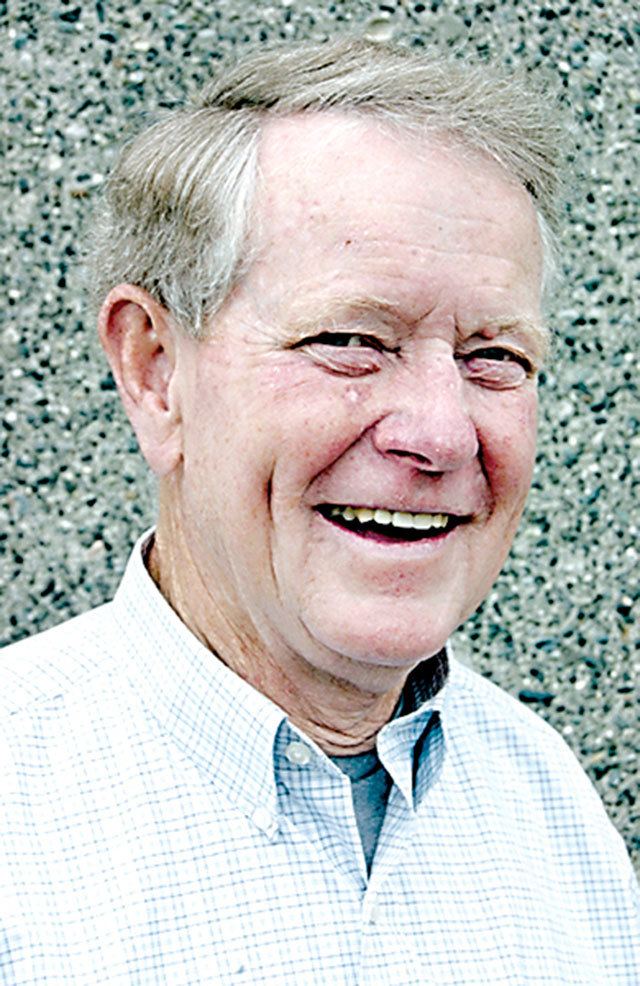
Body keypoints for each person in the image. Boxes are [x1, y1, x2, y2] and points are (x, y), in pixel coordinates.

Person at [1, 37, 638, 985]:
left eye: (494, 357)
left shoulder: (549, 807)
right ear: (155, 370)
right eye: (350, 339)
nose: (442, 434)